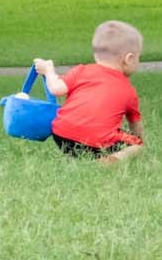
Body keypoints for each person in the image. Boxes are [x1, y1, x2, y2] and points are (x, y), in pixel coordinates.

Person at [35, 21, 145, 162]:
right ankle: (114, 159)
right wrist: (138, 140)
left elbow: (55, 89)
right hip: (97, 143)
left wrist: (48, 70)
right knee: (137, 145)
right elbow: (135, 125)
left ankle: (76, 158)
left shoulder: (81, 71)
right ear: (128, 59)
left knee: (82, 140)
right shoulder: (129, 91)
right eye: (138, 57)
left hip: (61, 136)